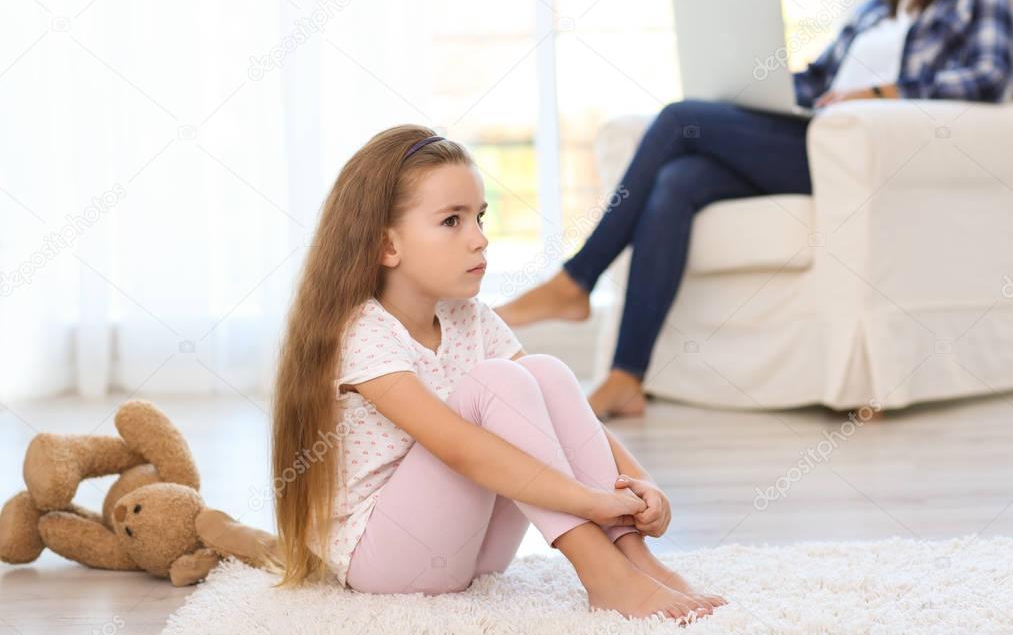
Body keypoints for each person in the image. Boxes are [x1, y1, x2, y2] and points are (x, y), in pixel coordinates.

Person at [495, 0, 1013, 420]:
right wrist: (751, 85)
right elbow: (819, 80)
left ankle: (575, 282)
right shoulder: (876, 7)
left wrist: (879, 92)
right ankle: (628, 375)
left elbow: (989, 78)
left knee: (680, 120)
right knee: (679, 180)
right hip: (816, 135)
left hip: (861, 155)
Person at [271, 124, 727, 625]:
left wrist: (640, 485)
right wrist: (587, 502)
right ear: (387, 247)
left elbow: (567, 422)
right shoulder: (362, 333)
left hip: (473, 551)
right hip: (389, 561)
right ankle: (603, 576)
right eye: (452, 221)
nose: (480, 240)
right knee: (499, 384)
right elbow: (460, 448)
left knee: (544, 373)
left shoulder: (472, 319)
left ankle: (636, 561)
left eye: (480, 218)